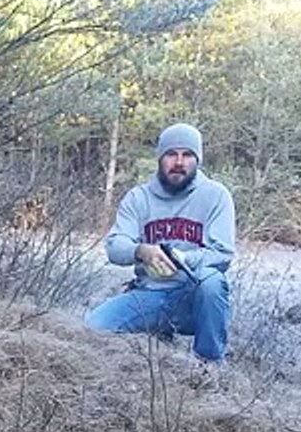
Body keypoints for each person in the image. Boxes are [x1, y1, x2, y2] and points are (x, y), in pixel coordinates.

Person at [84, 122, 236, 363]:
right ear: (160, 158)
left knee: (212, 282)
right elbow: (114, 246)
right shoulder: (138, 198)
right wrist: (141, 251)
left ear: (198, 160)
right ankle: (158, 338)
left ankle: (210, 364)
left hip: (193, 297)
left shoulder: (216, 196)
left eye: (187, 155)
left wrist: (182, 259)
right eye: (171, 154)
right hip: (150, 293)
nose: (179, 162)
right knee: (93, 326)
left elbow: (223, 253)